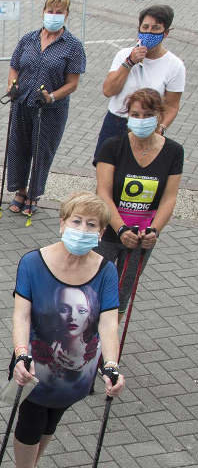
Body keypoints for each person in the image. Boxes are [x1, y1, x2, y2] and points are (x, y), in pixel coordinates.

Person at [10, 192, 126, 468]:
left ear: (101, 234)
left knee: (51, 423)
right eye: (76, 221)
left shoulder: (106, 271)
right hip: (35, 368)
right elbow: (21, 316)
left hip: (78, 372)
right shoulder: (33, 262)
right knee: (30, 425)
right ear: (62, 224)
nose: (83, 229)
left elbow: (108, 322)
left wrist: (111, 365)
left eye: (92, 225)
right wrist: (21, 354)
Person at [96, 88, 182, 312]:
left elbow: (169, 198)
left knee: (121, 297)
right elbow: (103, 193)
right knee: (92, 289)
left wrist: (154, 231)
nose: (141, 120)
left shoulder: (174, 152)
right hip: (108, 232)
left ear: (159, 116)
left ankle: (109, 344)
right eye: (135, 115)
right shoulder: (112, 147)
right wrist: (121, 229)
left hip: (142, 238)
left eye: (147, 115)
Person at [5, 0, 86, 217]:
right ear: (43, 12)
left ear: (66, 15)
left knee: (42, 151)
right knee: (18, 147)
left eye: (59, 12)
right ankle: (19, 191)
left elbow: (72, 83)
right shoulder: (28, 39)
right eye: (50, 11)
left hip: (51, 109)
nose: (53, 15)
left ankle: (33, 194)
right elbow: (14, 65)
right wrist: (12, 84)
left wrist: (52, 96)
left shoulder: (72, 46)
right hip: (22, 102)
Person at [95, 5, 184, 159]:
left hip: (147, 127)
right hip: (116, 122)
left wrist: (160, 129)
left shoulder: (174, 65)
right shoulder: (124, 54)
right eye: (145, 27)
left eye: (155, 28)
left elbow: (172, 105)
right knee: (106, 173)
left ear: (166, 33)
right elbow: (108, 90)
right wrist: (129, 62)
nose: (149, 32)